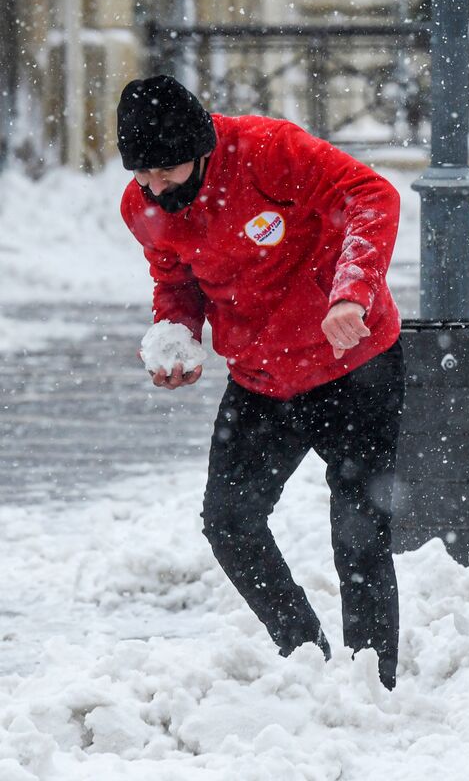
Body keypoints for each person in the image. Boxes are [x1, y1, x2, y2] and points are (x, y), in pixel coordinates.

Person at [117, 75, 406, 688]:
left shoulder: (269, 152)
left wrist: (350, 293)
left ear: (200, 149)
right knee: (228, 522)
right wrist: (177, 334)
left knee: (359, 532)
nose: (154, 186)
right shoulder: (143, 206)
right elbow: (175, 281)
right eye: (142, 173)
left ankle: (373, 686)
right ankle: (305, 657)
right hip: (261, 378)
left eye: (167, 170)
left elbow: (372, 195)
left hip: (352, 362)